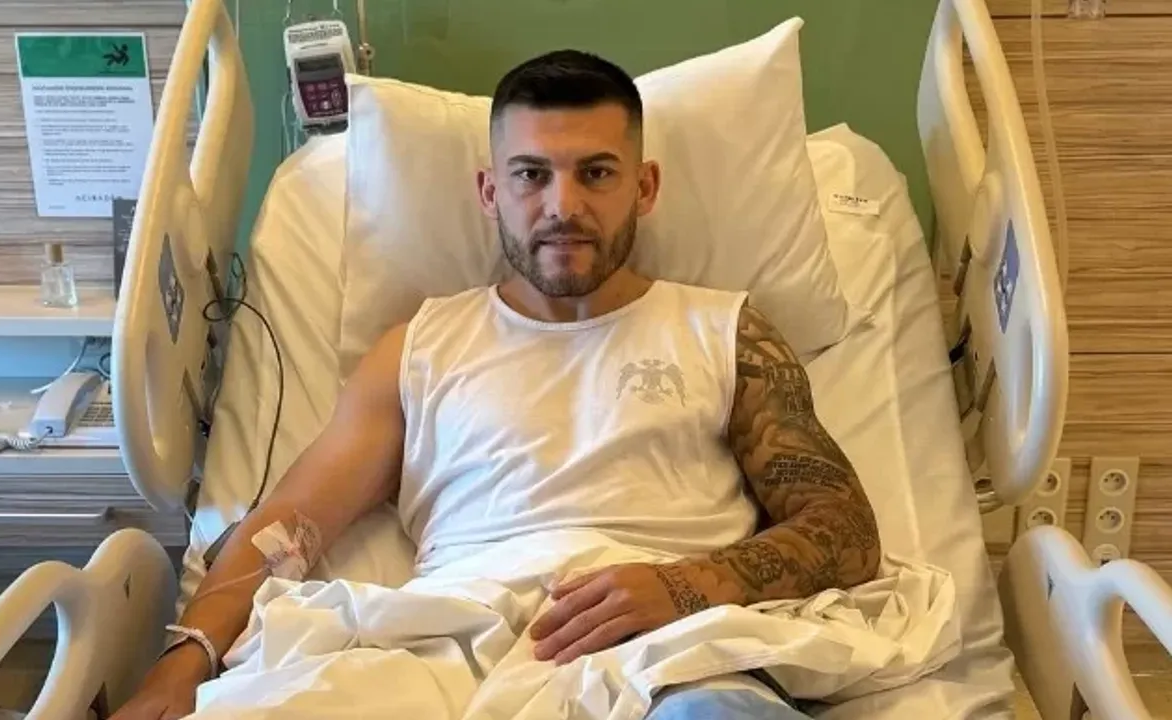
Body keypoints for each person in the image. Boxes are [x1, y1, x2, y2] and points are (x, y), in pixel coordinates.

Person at [112, 49, 881, 720]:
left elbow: (845, 529)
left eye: (596, 173)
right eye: (531, 175)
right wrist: (186, 660)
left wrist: (682, 588)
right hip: (445, 652)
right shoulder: (419, 348)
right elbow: (290, 527)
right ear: (490, 193)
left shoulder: (726, 332)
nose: (563, 206)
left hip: (670, 658)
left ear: (644, 187)